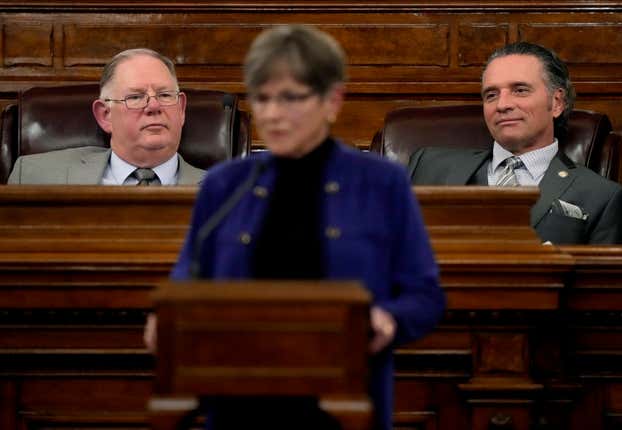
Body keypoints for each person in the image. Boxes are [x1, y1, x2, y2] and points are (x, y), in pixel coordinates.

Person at [148, 24, 444, 430]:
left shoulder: (381, 183)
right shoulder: (225, 185)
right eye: (263, 98)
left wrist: (386, 320)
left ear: (332, 101)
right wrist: (164, 318)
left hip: (343, 406)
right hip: (238, 404)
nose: (271, 113)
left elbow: (424, 297)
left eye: (290, 98)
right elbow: (188, 278)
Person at [408, 42, 622, 245]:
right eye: (491, 95)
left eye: (520, 90)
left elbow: (601, 286)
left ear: (557, 102)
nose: (502, 104)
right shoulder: (428, 166)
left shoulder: (601, 196)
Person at [8, 48, 204, 185]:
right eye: (135, 97)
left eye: (165, 95)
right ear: (105, 115)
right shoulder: (35, 176)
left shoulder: (229, 195)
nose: (154, 105)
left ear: (181, 109)